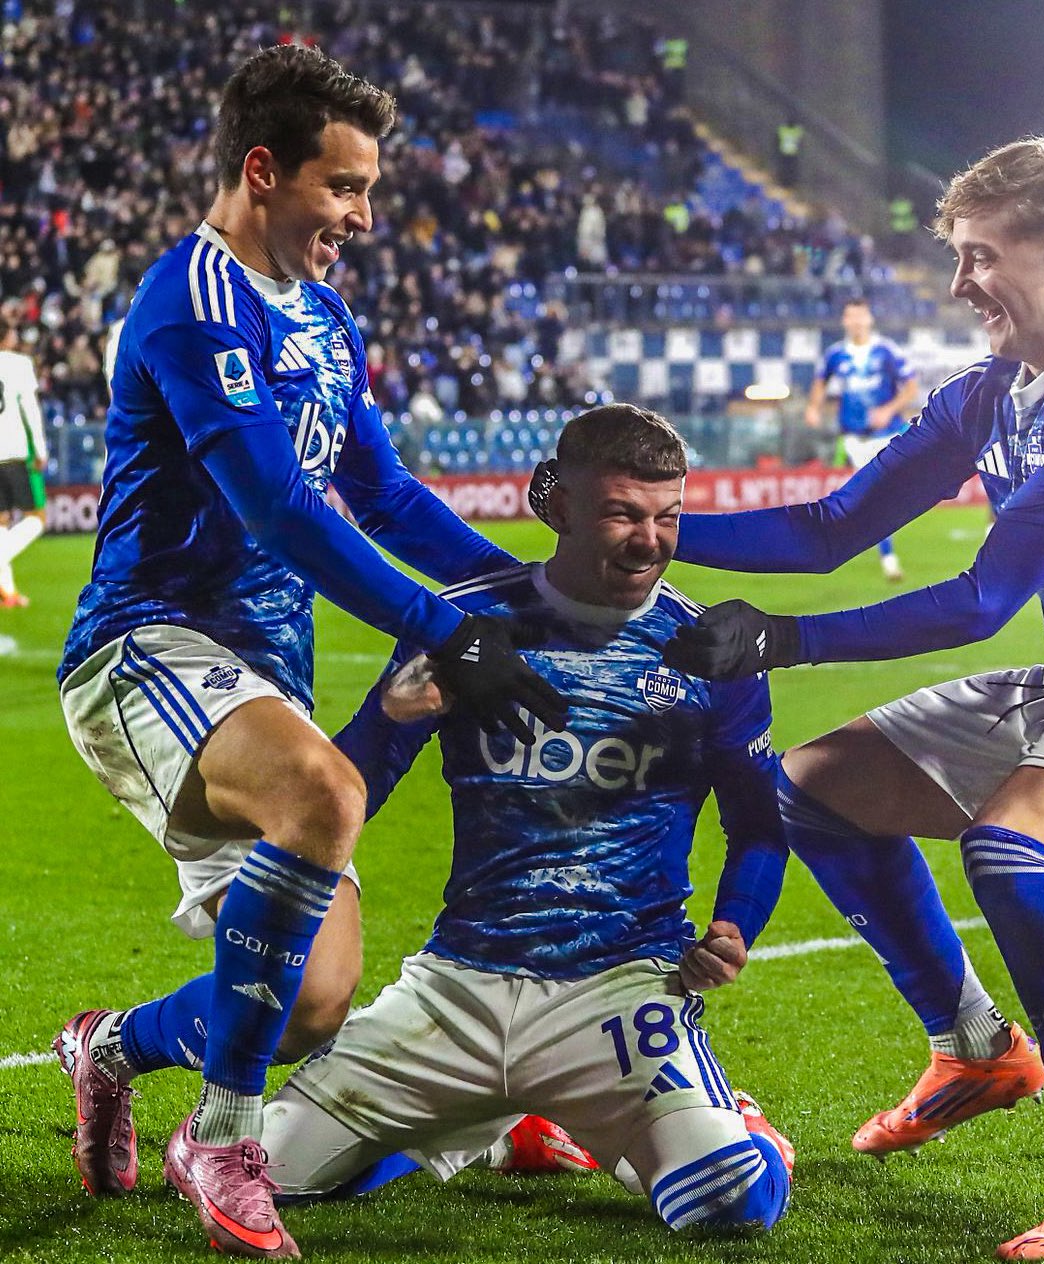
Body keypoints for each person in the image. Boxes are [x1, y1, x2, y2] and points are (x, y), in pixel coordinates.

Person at [661, 133, 1044, 1258]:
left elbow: (985, 597)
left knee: (1009, 850)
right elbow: (831, 527)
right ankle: (975, 1045)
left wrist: (783, 642)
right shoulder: (991, 391)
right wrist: (643, 524)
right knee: (812, 790)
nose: (958, 283)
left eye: (980, 256)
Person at [51, 44, 565, 1260]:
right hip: (145, 648)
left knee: (308, 999)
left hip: (251, 680)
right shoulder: (191, 299)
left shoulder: (323, 314)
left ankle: (107, 1047)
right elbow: (283, 510)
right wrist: (447, 626)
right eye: (344, 188)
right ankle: (221, 1136)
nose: (363, 218)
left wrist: (528, 592)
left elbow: (377, 492)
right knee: (326, 786)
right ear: (264, 170)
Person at [260, 403, 795, 1235]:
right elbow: (339, 793)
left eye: (668, 516)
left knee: (734, 1202)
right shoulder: (467, 627)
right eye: (623, 513)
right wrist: (386, 722)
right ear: (561, 507)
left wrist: (736, 925)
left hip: (620, 990)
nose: (648, 540)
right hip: (456, 987)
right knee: (263, 1174)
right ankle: (486, 1117)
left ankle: (699, 1116)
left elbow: (760, 827)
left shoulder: (707, 650)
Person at [804, 297, 920, 581]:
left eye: (860, 316)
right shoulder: (835, 355)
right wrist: (814, 406)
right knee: (878, 495)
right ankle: (888, 558)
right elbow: (820, 381)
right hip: (855, 437)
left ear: (869, 319)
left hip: (888, 433)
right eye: (850, 317)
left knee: (883, 494)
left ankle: (879, 548)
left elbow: (911, 387)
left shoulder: (886, 351)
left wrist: (888, 409)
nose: (856, 322)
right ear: (845, 321)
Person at [0, 321, 47, 607]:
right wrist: (40, 449)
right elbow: (30, 409)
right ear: (7, 334)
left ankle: (8, 592)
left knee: (2, 521)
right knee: (36, 519)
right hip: (13, 452)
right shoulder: (19, 364)